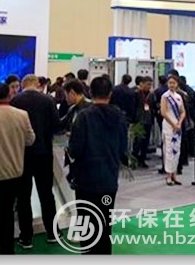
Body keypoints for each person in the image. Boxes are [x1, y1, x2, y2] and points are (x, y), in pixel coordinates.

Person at [67, 76, 127, 255]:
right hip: (109, 180)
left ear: (90, 92)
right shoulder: (119, 116)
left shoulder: (84, 116)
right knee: (105, 224)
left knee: (86, 224)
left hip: (86, 181)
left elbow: (75, 149)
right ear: (110, 94)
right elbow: (123, 147)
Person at [0, 82, 35, 254]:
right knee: (8, 215)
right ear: (9, 95)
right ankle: (7, 251)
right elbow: (30, 140)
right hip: (15, 174)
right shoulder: (22, 115)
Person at [11, 74, 59, 248]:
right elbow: (56, 125)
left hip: (22, 155)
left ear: (23, 85)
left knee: (23, 197)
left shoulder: (15, 101)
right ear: (37, 84)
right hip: (44, 153)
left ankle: (26, 237)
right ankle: (53, 233)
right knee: (46, 194)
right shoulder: (48, 100)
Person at [161, 75, 186, 186]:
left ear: (177, 84)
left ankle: (174, 174)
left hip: (177, 126)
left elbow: (183, 111)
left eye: (173, 83)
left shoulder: (179, 97)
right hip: (168, 125)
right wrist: (173, 124)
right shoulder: (165, 96)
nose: (171, 85)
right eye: (170, 82)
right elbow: (163, 112)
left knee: (176, 149)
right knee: (168, 150)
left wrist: (179, 123)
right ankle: (168, 175)